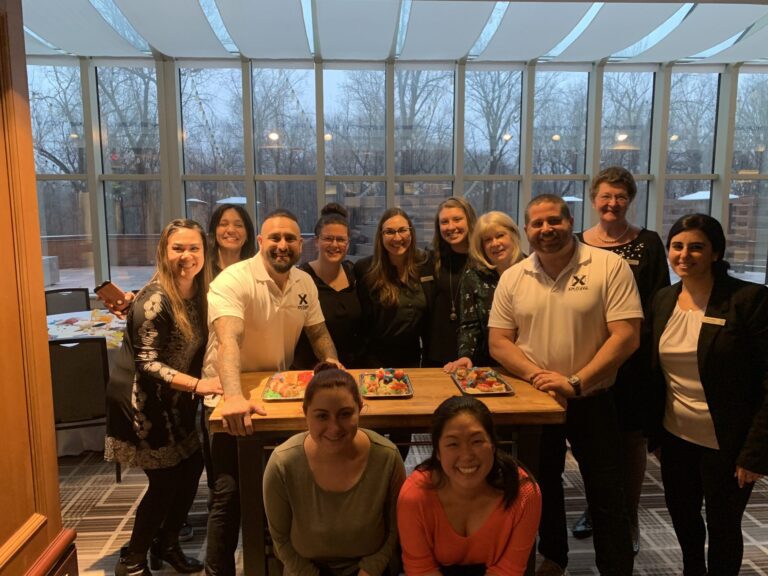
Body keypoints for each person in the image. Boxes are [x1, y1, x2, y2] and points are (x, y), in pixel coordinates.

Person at [488, 194, 643, 576]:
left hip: (593, 397)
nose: (546, 229)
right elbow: (499, 342)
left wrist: (575, 381)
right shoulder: (513, 277)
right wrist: (538, 378)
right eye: (537, 223)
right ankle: (554, 557)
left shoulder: (608, 266)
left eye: (554, 221)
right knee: (542, 486)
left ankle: (616, 568)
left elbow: (626, 335)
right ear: (526, 229)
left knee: (606, 491)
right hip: (537, 401)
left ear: (570, 221)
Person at [202, 208, 342, 576]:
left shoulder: (304, 282)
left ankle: (271, 564)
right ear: (261, 242)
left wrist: (331, 362)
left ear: (301, 244)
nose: (282, 245)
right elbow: (228, 340)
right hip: (227, 394)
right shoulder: (233, 279)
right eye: (275, 238)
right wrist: (234, 397)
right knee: (230, 494)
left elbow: (318, 332)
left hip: (276, 396)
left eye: (290, 238)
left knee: (275, 487)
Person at [647, 213, 768, 576]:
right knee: (683, 517)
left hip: (728, 443)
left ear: (716, 253)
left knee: (723, 525)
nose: (684, 255)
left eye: (696, 247)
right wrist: (655, 435)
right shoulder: (663, 300)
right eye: (677, 246)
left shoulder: (749, 300)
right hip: (676, 437)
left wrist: (755, 453)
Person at [105, 219, 223, 576]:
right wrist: (198, 385)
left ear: (204, 253)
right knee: (165, 481)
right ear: (163, 252)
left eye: (194, 248)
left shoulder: (200, 291)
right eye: (177, 248)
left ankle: (166, 543)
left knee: (191, 467)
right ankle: (132, 560)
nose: (186, 255)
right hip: (142, 401)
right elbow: (147, 363)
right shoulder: (155, 299)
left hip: (175, 399)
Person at [571, 167, 670, 550]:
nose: (612, 203)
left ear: (630, 200)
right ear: (594, 199)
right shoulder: (577, 243)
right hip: (588, 359)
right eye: (606, 196)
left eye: (620, 197)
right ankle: (596, 509)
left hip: (632, 362)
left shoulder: (648, 242)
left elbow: (659, 302)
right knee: (591, 442)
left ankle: (628, 518)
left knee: (630, 443)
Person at [264, 363, 406, 576]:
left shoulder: (388, 458)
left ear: (360, 409)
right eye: (322, 416)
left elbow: (394, 531)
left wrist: (370, 569)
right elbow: (280, 540)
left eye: (345, 414)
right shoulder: (282, 464)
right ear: (306, 413)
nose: (334, 428)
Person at [397, 395, 541, 576]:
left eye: (477, 441)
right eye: (453, 444)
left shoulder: (524, 492)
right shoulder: (414, 495)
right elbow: (421, 569)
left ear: (493, 445)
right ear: (437, 452)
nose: (466, 455)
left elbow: (509, 570)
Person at [444, 211, 523, 373]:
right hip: (488, 366)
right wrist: (465, 356)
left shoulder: (533, 270)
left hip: (530, 362)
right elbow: (469, 326)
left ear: (513, 235)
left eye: (500, 235)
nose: (495, 243)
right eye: (488, 240)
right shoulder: (473, 277)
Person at [354, 207, 432, 368]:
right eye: (389, 232)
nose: (397, 237)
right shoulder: (365, 269)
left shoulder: (425, 265)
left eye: (402, 230)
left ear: (411, 232)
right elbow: (361, 324)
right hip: (374, 362)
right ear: (380, 236)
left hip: (413, 359)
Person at [294, 203, 362, 369]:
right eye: (328, 239)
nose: (334, 245)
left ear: (348, 244)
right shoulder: (301, 279)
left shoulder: (355, 274)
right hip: (312, 371)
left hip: (353, 369)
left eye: (341, 239)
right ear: (316, 242)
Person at [424, 197, 477, 367]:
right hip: (436, 353)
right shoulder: (431, 259)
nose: (451, 227)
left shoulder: (484, 260)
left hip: (476, 355)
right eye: (444, 222)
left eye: (457, 219)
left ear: (469, 221)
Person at [207, 203, 257, 276]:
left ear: (247, 234)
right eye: (223, 224)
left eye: (238, 225)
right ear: (214, 231)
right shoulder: (203, 270)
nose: (231, 230)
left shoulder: (256, 270)